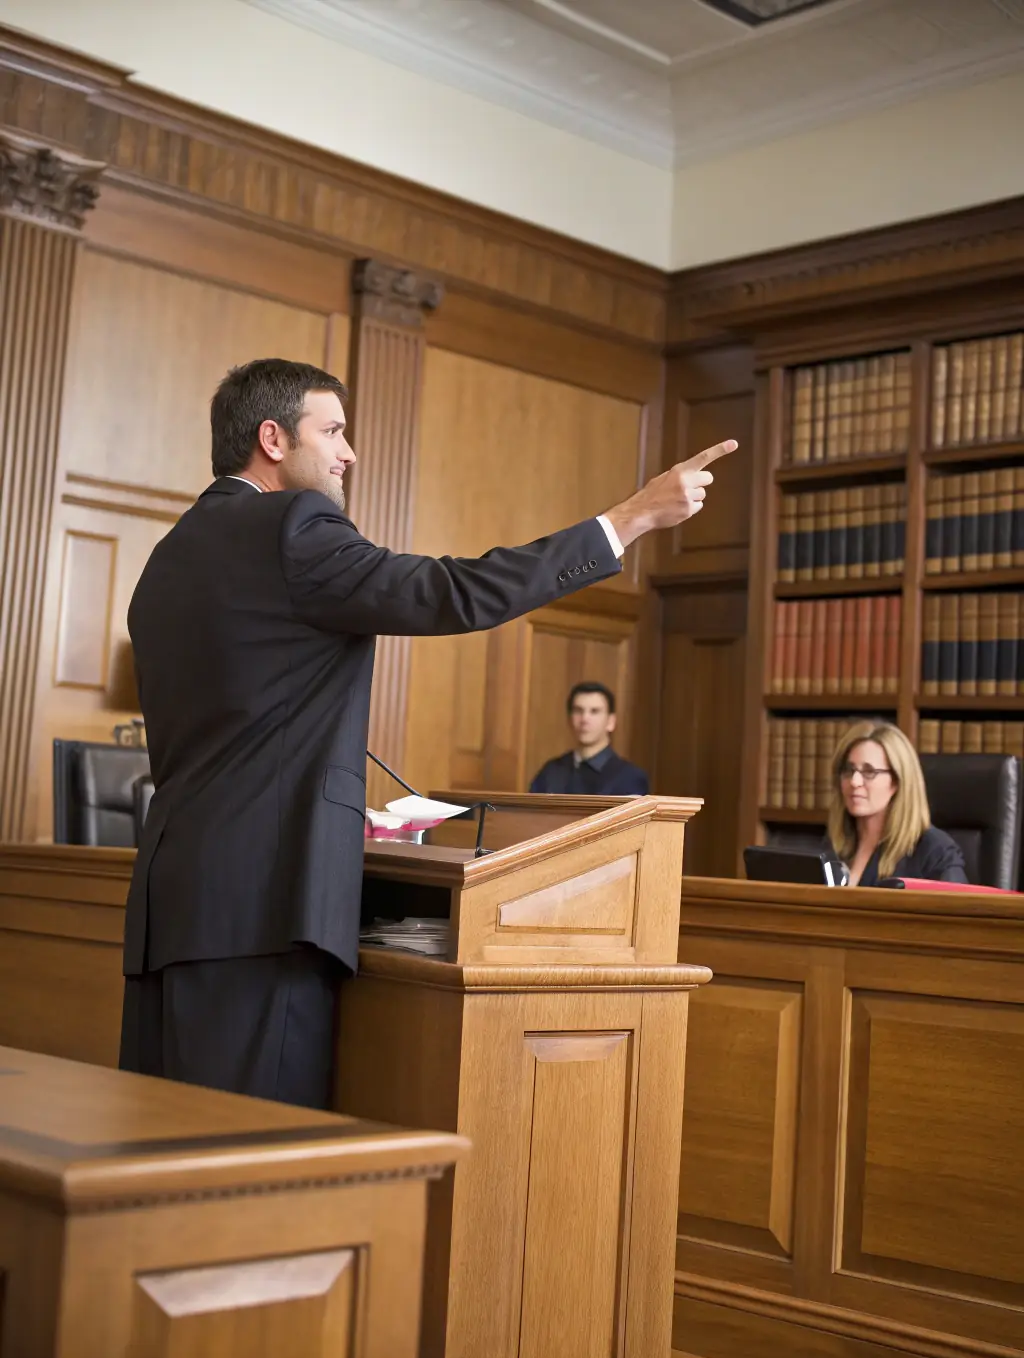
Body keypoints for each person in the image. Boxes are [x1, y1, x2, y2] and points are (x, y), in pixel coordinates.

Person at [120, 357, 735, 1108]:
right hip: (264, 907)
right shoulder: (294, 525)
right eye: (335, 430)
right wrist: (630, 519)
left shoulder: (169, 555)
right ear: (273, 438)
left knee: (166, 1156)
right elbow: (453, 591)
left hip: (172, 900)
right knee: (250, 1163)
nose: (349, 452)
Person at [826, 720, 967, 888]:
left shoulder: (935, 852)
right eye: (849, 770)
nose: (854, 781)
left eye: (869, 771)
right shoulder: (835, 844)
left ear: (897, 781)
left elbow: (958, 912)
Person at [529, 682, 648, 795]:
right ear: (570, 719)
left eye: (594, 711)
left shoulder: (629, 777)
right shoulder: (551, 771)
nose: (584, 719)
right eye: (578, 711)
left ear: (611, 722)